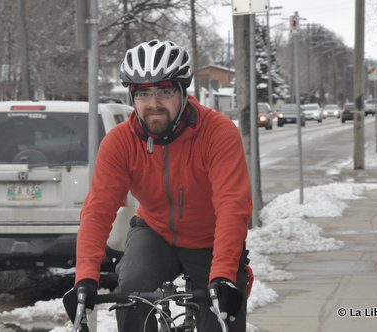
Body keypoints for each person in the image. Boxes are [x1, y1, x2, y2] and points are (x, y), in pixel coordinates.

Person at [64, 39, 252, 331]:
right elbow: (97, 210)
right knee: (132, 293)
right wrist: (84, 279)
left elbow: (232, 206)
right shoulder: (119, 142)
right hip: (156, 233)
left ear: (181, 92)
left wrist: (224, 276)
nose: (154, 104)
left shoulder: (218, 133)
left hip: (211, 238)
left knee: (222, 316)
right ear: (132, 96)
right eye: (143, 93)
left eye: (164, 91)